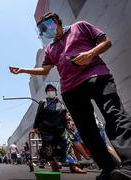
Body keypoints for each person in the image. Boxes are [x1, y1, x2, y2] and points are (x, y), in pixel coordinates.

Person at [10, 11, 131, 180]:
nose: (45, 32)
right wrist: (23, 70)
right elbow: (45, 69)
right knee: (87, 130)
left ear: (57, 21)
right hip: (70, 90)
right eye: (41, 30)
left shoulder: (80, 26)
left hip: (96, 77)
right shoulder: (50, 48)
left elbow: (106, 42)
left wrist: (89, 54)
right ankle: (108, 168)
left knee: (114, 116)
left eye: (47, 27)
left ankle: (129, 164)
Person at [32, 84, 84, 173]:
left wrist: (67, 119)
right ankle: (54, 166)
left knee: (67, 147)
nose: (50, 91)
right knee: (50, 149)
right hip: (47, 131)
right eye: (48, 90)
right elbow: (38, 115)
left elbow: (65, 112)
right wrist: (35, 127)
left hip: (61, 129)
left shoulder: (60, 102)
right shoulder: (43, 102)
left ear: (55, 91)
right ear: (46, 93)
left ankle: (73, 166)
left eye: (52, 89)